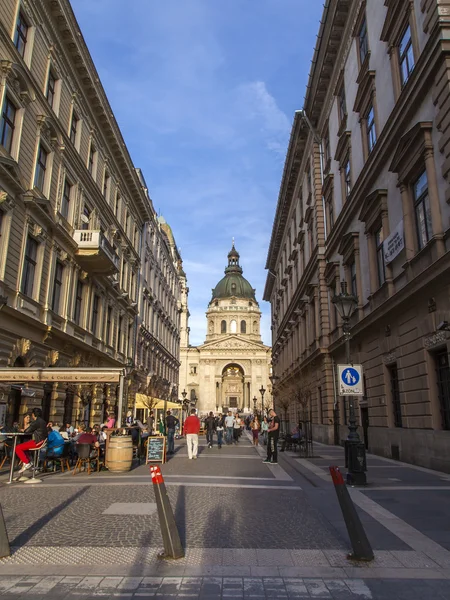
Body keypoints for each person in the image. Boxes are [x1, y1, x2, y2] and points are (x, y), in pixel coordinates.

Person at [15, 408, 48, 474]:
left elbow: (27, 431)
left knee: (17, 448)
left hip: (38, 442)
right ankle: (29, 461)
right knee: (24, 447)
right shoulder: (43, 421)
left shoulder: (36, 422)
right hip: (41, 441)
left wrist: (23, 430)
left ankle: (27, 462)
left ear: (33, 414)